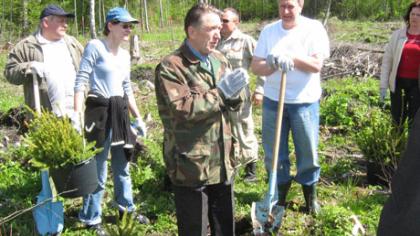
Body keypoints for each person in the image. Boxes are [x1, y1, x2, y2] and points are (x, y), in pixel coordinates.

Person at [155, 3, 248, 235]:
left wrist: (238, 94)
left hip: (222, 160)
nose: (218, 34)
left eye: (219, 28)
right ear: (192, 31)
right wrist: (221, 94)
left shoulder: (218, 59)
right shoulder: (172, 66)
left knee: (224, 226)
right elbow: (182, 109)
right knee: (194, 228)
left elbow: (232, 104)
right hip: (191, 166)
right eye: (211, 29)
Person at [73, 7, 149, 235]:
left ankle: (126, 208)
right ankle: (91, 217)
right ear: (110, 25)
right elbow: (81, 80)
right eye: (124, 25)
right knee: (98, 168)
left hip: (120, 112)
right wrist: (76, 115)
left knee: (122, 165)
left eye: (130, 25)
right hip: (99, 111)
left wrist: (137, 117)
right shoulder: (96, 47)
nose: (129, 29)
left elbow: (127, 87)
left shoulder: (125, 55)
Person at [250, 0, 329, 214]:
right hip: (273, 101)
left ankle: (310, 198)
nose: (285, 11)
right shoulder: (269, 31)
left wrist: (293, 58)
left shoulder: (313, 29)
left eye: (290, 6)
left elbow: (316, 65)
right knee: (274, 153)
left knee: (308, 152)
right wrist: (272, 63)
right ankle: (279, 197)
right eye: (282, 6)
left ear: (300, 5)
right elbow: (256, 66)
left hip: (304, 102)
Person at [4, 4, 83, 117]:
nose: (65, 25)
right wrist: (29, 67)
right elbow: (9, 73)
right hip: (45, 116)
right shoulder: (27, 46)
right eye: (61, 21)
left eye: (66, 21)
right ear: (45, 23)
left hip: (77, 112)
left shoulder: (73, 43)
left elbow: (88, 70)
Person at [217, 7, 263, 183]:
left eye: (226, 20)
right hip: (220, 93)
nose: (222, 23)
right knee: (225, 128)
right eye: (221, 20)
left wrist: (260, 90)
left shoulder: (245, 41)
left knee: (244, 128)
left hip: (239, 93)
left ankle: (251, 169)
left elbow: (261, 66)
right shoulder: (215, 41)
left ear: (236, 22)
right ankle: (231, 165)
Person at [380, 1, 420, 130]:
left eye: (418, 15)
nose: (414, 17)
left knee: (414, 121)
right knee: (397, 120)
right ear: (408, 15)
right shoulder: (397, 35)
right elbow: (387, 61)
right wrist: (383, 86)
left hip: (417, 86)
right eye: (412, 14)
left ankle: (412, 149)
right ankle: (396, 147)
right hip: (398, 84)